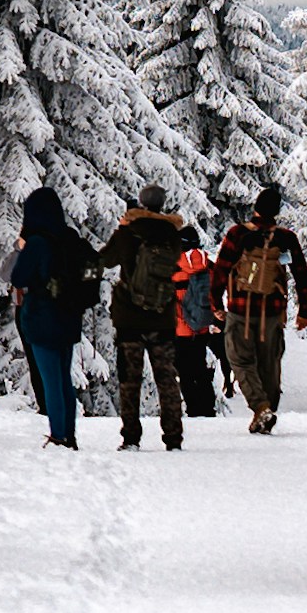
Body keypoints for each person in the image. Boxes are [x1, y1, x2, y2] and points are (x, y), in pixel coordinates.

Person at [213, 183, 307, 434]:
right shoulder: (285, 238)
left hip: (240, 310)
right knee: (271, 364)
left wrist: (215, 303)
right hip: (272, 313)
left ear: (255, 207)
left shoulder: (237, 234)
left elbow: (221, 270)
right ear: (276, 211)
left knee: (240, 360)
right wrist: (304, 310)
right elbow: (301, 273)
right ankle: (268, 409)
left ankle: (261, 407)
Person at [101, 183, 193, 450]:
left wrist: (123, 227)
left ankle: (131, 437)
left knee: (130, 379)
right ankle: (173, 437)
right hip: (162, 316)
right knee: (166, 378)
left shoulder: (129, 233)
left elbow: (105, 260)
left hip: (130, 318)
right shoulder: (172, 235)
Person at [6, 185, 99, 448]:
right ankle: (69, 434)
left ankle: (59, 436)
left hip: (41, 318)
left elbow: (18, 277)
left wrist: (22, 249)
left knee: (51, 381)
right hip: (69, 317)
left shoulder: (36, 243)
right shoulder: (72, 239)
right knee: (63, 378)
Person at [172, 234, 222, 419]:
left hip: (180, 328)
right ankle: (208, 408)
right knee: (200, 366)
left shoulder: (173, 267)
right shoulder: (208, 265)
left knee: (184, 371)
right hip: (201, 326)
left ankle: (193, 409)